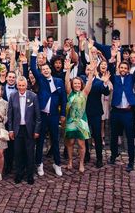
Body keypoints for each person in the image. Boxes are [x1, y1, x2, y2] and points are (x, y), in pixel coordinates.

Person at [30, 44, 66, 177]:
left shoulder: (58, 81)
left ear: (50, 69)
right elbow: (33, 68)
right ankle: (39, 164)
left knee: (55, 141)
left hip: (54, 116)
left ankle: (57, 164)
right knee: (39, 141)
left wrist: (63, 114)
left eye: (47, 68)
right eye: (43, 69)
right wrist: (34, 53)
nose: (45, 70)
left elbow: (63, 99)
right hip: (42, 116)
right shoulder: (41, 79)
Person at [109, 51, 135, 172]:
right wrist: (113, 57)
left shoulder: (131, 78)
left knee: (129, 137)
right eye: (121, 67)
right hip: (116, 111)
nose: (123, 69)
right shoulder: (115, 78)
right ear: (119, 69)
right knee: (113, 136)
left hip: (128, 112)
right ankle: (113, 155)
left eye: (125, 68)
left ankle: (131, 161)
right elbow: (109, 67)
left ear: (128, 70)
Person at [6, 77, 41, 185]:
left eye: (23, 85)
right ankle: (19, 174)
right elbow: (10, 115)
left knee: (30, 153)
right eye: (19, 85)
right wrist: (11, 130)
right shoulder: (12, 96)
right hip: (17, 129)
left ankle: (30, 175)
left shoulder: (33, 96)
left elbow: (38, 116)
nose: (21, 87)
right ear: (17, 86)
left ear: (26, 86)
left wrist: (36, 130)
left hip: (29, 129)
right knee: (18, 153)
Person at [63, 61, 96, 173]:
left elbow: (90, 83)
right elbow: (66, 81)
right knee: (70, 142)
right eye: (75, 83)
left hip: (82, 121)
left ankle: (81, 163)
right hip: (71, 121)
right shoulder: (69, 93)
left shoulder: (84, 93)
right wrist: (67, 70)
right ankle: (70, 161)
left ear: (81, 84)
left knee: (81, 144)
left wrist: (91, 72)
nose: (76, 85)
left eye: (78, 83)